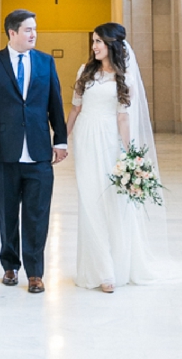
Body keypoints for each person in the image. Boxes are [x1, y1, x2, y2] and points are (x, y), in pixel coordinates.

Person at [66, 22, 171, 291]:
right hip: (86, 139)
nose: (94, 46)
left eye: (99, 41)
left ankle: (115, 267)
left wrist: (130, 154)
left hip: (110, 141)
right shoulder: (85, 72)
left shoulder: (125, 79)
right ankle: (101, 271)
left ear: (112, 44)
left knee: (112, 202)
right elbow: (75, 109)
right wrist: (61, 141)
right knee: (90, 201)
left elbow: (123, 118)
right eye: (93, 41)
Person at [0, 9, 68, 293]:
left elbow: (55, 103)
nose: (33, 34)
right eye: (28, 30)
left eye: (35, 29)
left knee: (38, 215)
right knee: (7, 212)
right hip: (5, 151)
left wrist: (60, 140)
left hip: (39, 152)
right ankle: (10, 266)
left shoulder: (45, 62)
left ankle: (36, 272)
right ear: (12, 33)